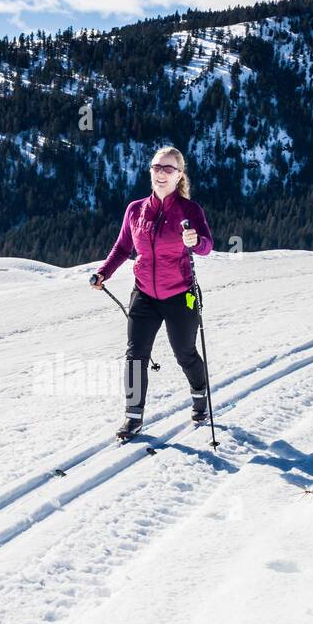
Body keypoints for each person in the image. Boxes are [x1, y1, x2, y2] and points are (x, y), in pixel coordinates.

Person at [92, 145, 213, 440]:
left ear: (179, 175)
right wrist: (103, 272)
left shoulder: (189, 210)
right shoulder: (136, 210)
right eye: (156, 167)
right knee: (135, 356)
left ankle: (200, 396)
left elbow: (207, 246)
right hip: (144, 294)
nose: (160, 174)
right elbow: (123, 247)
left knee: (184, 353)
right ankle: (133, 417)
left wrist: (194, 241)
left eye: (168, 169)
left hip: (180, 295)